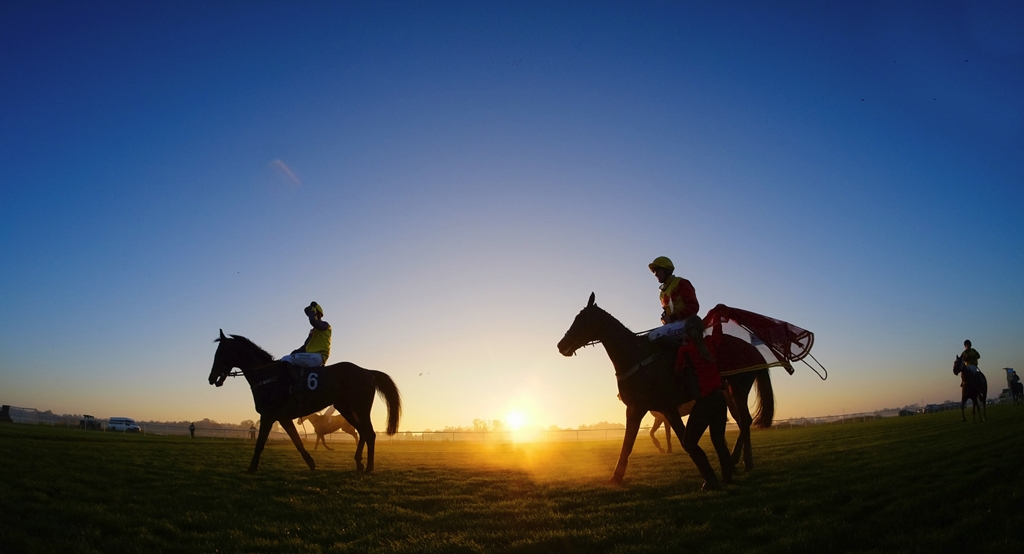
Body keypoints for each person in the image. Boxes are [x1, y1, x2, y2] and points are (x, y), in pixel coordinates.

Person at [675, 314, 732, 491]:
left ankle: (711, 480)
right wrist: (717, 315)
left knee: (689, 443)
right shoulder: (711, 343)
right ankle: (728, 479)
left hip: (705, 402)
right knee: (718, 440)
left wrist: (682, 346)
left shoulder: (686, 351)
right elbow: (718, 332)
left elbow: (677, 370)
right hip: (720, 400)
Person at [647, 256, 699, 343]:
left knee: (654, 335)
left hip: (688, 324)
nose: (655, 274)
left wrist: (672, 317)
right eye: (654, 271)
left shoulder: (681, 283)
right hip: (675, 324)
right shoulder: (662, 293)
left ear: (666, 270)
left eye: (658, 270)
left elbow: (693, 307)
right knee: (645, 337)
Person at [280, 302, 332, 367]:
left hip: (318, 356)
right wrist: (295, 352)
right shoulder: (313, 331)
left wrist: (313, 308)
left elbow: (313, 321)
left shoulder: (326, 325)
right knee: (290, 357)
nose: (309, 316)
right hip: (311, 356)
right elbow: (305, 347)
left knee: (286, 359)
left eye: (312, 313)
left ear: (318, 314)